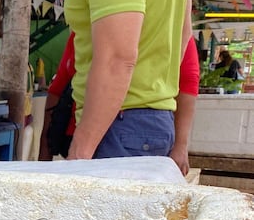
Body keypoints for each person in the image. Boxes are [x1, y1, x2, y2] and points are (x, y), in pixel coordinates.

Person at [39, 0, 193, 161]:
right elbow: (184, 34)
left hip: (117, 126)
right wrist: (150, 86)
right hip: (154, 121)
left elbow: (117, 58)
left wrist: (82, 147)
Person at [39, 32, 200, 175]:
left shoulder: (166, 30)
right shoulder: (82, 32)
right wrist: (45, 151)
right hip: (77, 132)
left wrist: (181, 144)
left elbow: (188, 83)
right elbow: (58, 87)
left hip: (129, 129)